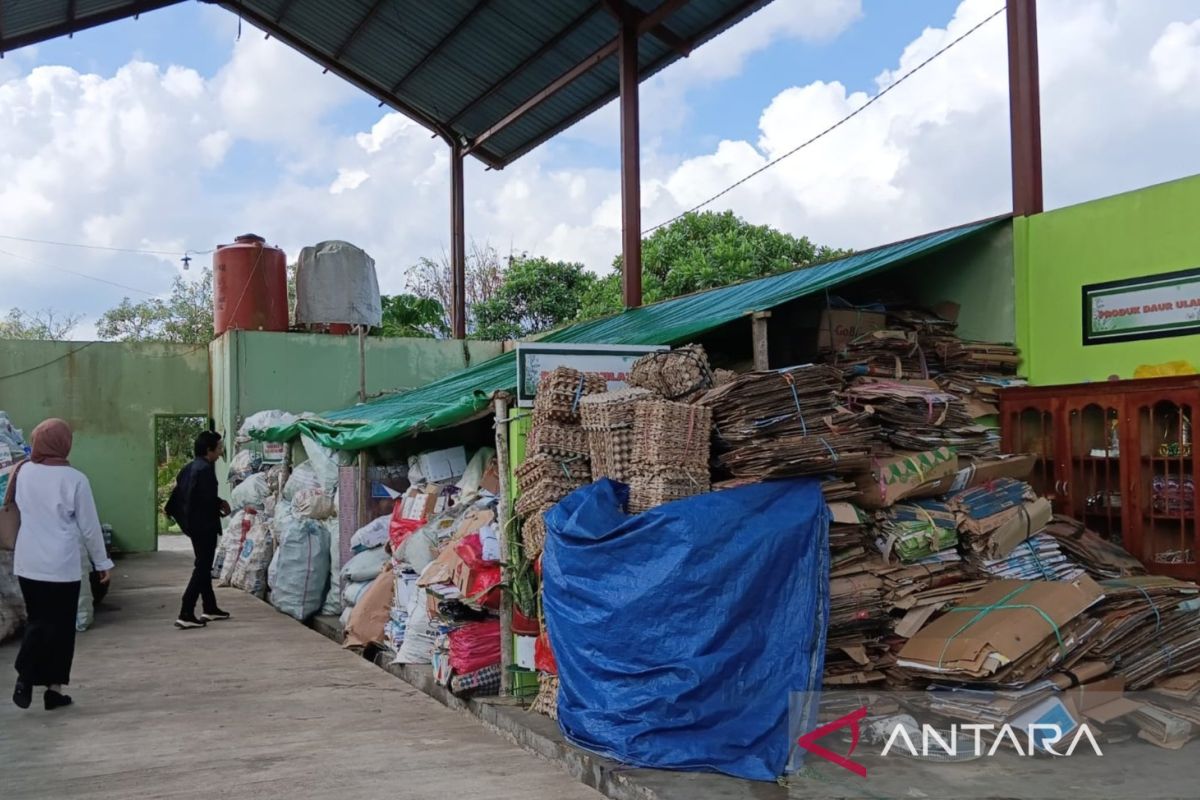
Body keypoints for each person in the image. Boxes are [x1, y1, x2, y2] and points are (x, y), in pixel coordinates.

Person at [9, 418, 112, 711]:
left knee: (38, 619)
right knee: (61, 629)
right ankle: (49, 687)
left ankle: (29, 677)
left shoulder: (23, 471)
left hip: (28, 562)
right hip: (60, 565)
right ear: (64, 443)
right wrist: (102, 562)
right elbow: (90, 528)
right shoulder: (75, 479)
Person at [166, 431, 232, 630]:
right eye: (219, 448)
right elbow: (205, 500)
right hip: (204, 527)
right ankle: (186, 611)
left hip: (194, 526)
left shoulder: (189, 468)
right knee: (202, 568)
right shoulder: (204, 470)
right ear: (208, 450)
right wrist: (221, 504)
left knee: (203, 566)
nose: (221, 452)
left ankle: (210, 607)